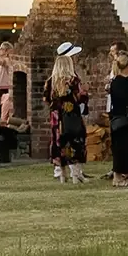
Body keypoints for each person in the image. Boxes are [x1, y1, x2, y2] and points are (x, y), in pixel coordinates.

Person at [42, 47, 90, 184]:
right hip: (72, 116)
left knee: (59, 144)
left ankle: (62, 175)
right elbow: (81, 97)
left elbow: (46, 99)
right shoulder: (74, 81)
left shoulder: (50, 82)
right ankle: (76, 174)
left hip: (56, 118)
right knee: (76, 142)